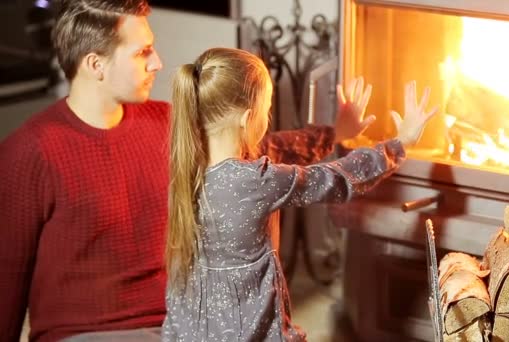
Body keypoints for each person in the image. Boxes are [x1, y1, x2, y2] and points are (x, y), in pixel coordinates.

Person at [0, 0, 382, 341]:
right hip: (92, 334)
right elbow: (6, 281)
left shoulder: (169, 124)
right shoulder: (28, 153)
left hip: (180, 323)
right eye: (143, 52)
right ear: (95, 64)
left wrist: (335, 133)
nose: (158, 63)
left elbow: (260, 152)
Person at [161, 48, 437, 341]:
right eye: (267, 109)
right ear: (247, 118)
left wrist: (335, 132)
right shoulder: (254, 181)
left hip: (192, 330)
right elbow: (335, 179)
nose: (268, 118)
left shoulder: (190, 163)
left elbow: (278, 145)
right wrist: (399, 143)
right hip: (245, 331)